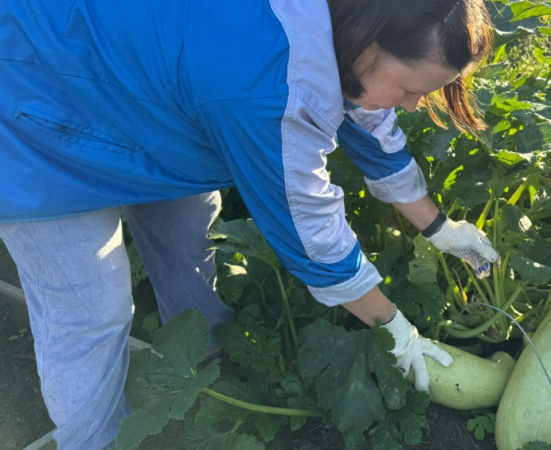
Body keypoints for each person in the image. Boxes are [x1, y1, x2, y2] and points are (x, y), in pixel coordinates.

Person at [0, 0, 498, 448]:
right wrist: (397, 330)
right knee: (92, 311)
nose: (413, 105)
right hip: (32, 100)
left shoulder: (335, 26)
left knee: (190, 226)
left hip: (139, 88)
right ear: (369, 40)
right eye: (411, 90)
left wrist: (439, 228)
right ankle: (95, 442)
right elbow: (311, 237)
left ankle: (205, 354)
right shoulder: (271, 86)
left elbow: (370, 125)